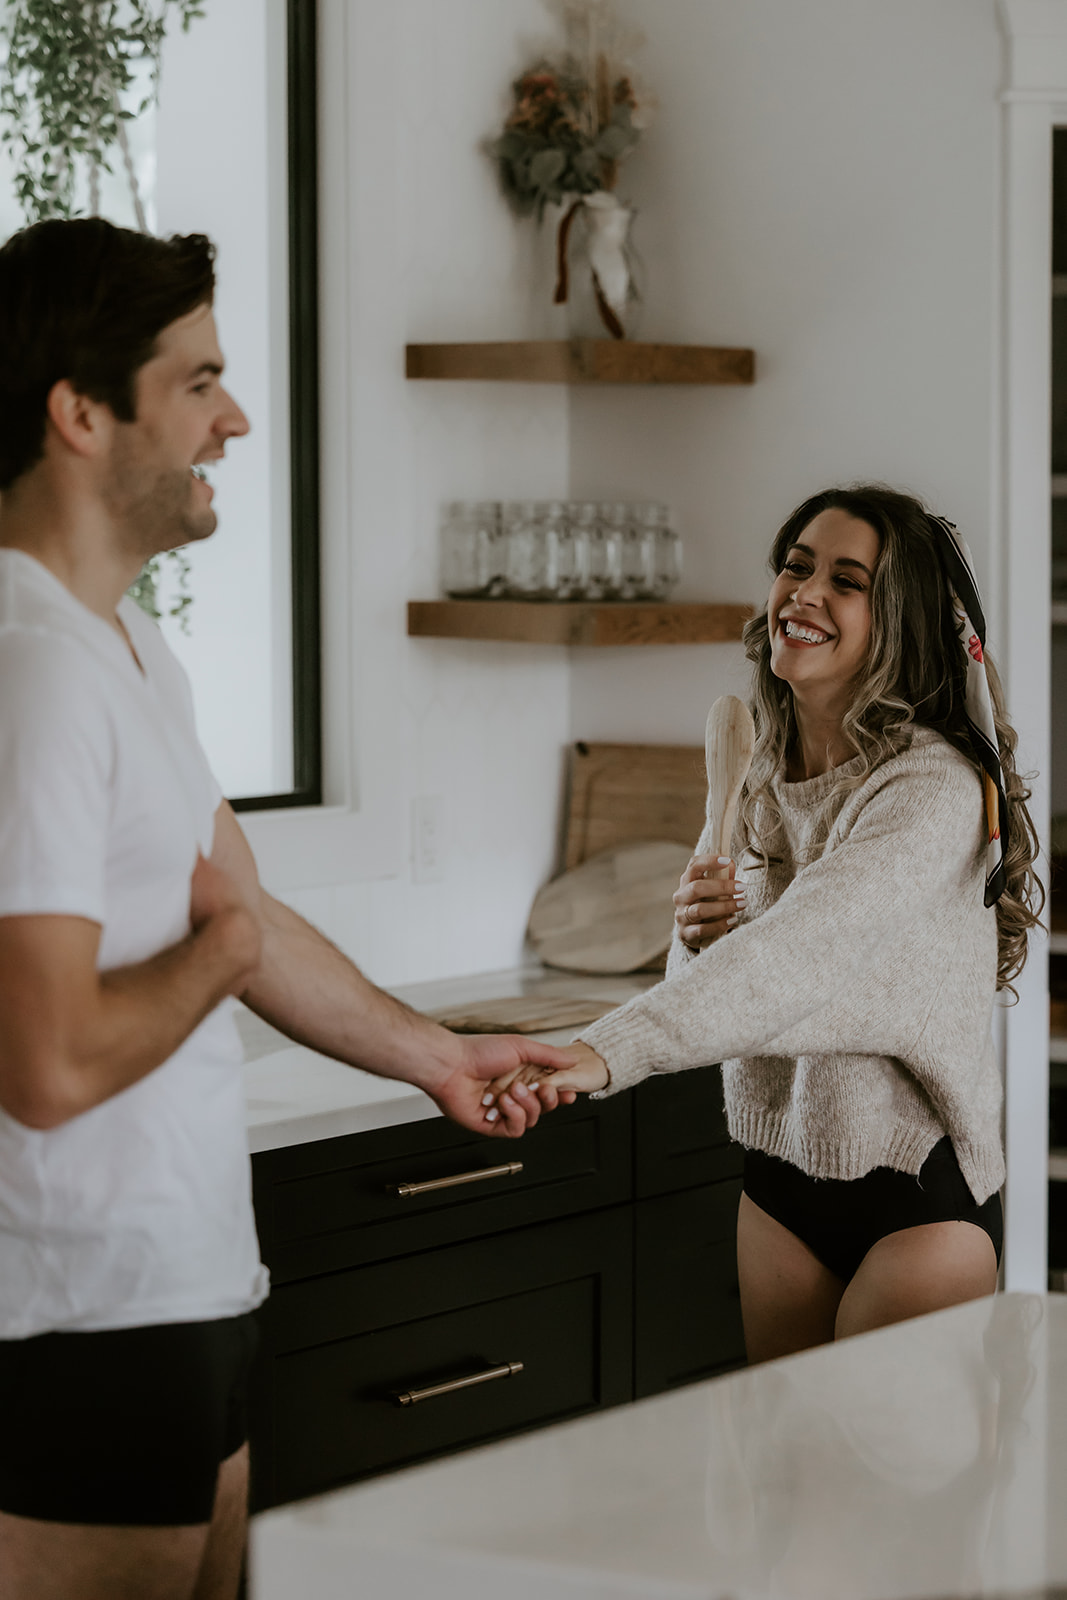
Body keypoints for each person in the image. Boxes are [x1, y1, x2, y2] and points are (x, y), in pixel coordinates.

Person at [0, 217, 571, 1600]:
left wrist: (438, 1055)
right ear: (79, 412)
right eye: (198, 383)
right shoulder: (32, 675)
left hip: (189, 1288)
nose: (235, 419)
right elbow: (52, 1060)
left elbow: (244, 919)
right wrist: (227, 948)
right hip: (75, 1319)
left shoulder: (130, 649)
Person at [493, 484, 1042, 1363]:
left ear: (896, 620)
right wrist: (697, 928)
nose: (804, 592)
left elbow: (802, 954)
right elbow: (710, 991)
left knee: (885, 1500)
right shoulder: (756, 776)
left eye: (846, 580)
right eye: (795, 566)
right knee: (784, 1481)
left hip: (914, 1194)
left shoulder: (929, 790)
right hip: (779, 1176)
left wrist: (607, 1050)